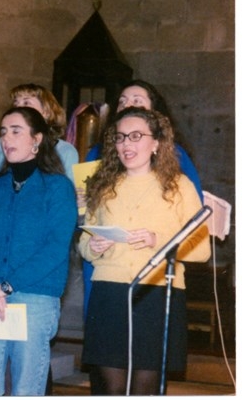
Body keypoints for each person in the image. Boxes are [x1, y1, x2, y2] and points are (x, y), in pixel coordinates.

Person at [78, 107, 210, 395]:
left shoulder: (178, 186)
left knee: (144, 389)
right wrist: (93, 246)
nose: (126, 144)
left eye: (136, 136)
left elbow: (201, 249)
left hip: (156, 292)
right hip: (109, 292)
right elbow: (85, 242)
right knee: (111, 389)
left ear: (156, 143)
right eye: (121, 137)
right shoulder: (103, 184)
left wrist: (158, 240)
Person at [0, 107, 77, 396]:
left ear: (37, 139)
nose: (6, 138)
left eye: (16, 131)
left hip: (34, 297)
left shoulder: (57, 187)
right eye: (3, 132)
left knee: (27, 389)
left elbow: (55, 247)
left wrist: (7, 285)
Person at [0, 83, 78, 183]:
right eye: (16, 104)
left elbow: (68, 191)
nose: (19, 108)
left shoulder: (66, 151)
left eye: (26, 103)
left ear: (46, 112)